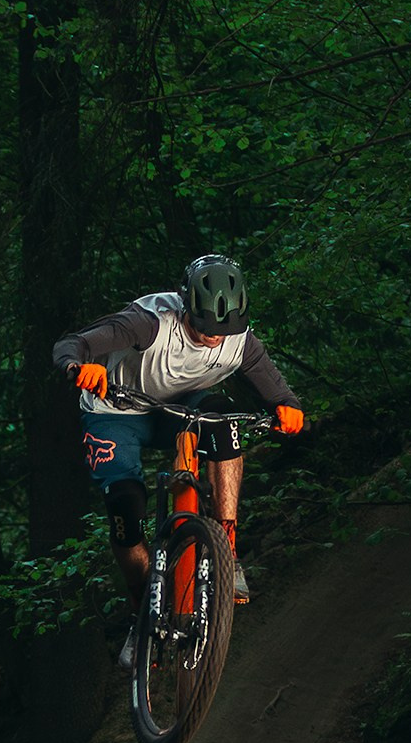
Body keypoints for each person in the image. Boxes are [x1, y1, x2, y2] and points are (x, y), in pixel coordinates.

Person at [53, 252, 307, 665]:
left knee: (224, 421)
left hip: (178, 412)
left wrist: (287, 406)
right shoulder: (148, 323)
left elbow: (273, 385)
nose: (215, 338)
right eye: (206, 328)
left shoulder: (239, 339)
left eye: (226, 330)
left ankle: (226, 548)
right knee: (125, 507)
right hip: (115, 412)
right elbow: (73, 343)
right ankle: (141, 616)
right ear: (186, 305)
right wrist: (77, 366)